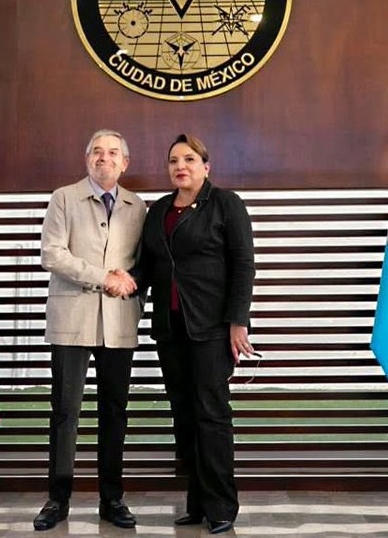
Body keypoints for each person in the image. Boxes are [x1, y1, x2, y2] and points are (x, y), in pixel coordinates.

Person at [133, 133, 255, 535]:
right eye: (173, 161)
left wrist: (238, 321)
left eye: (188, 159)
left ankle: (222, 506)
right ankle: (197, 503)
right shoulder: (159, 210)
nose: (180, 166)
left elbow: (243, 264)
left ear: (206, 166)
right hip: (170, 330)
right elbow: (148, 267)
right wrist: (118, 280)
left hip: (211, 328)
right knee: (183, 415)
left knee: (211, 415)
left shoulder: (225, 203)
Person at [34, 130, 146, 531]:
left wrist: (129, 285)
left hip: (119, 320)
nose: (104, 158)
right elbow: (52, 254)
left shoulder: (138, 206)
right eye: (97, 151)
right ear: (87, 159)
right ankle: (57, 499)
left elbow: (143, 263)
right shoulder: (63, 198)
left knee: (114, 412)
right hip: (72, 320)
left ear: (125, 163)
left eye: (113, 152)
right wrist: (104, 278)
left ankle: (112, 499)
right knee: (65, 412)